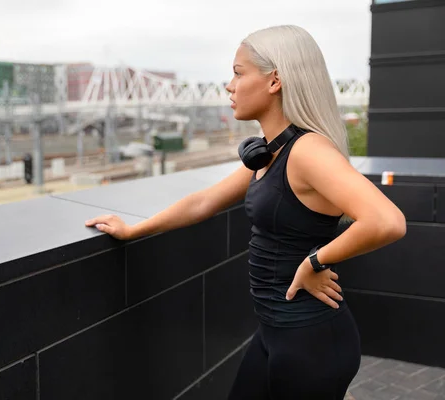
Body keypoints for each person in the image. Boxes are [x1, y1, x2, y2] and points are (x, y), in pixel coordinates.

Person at [85, 25, 407, 399]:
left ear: (275, 81)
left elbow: (387, 221)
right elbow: (204, 202)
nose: (229, 85)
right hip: (274, 331)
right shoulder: (269, 154)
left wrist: (315, 261)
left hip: (312, 340)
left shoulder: (308, 152)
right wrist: (134, 230)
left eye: (239, 73)